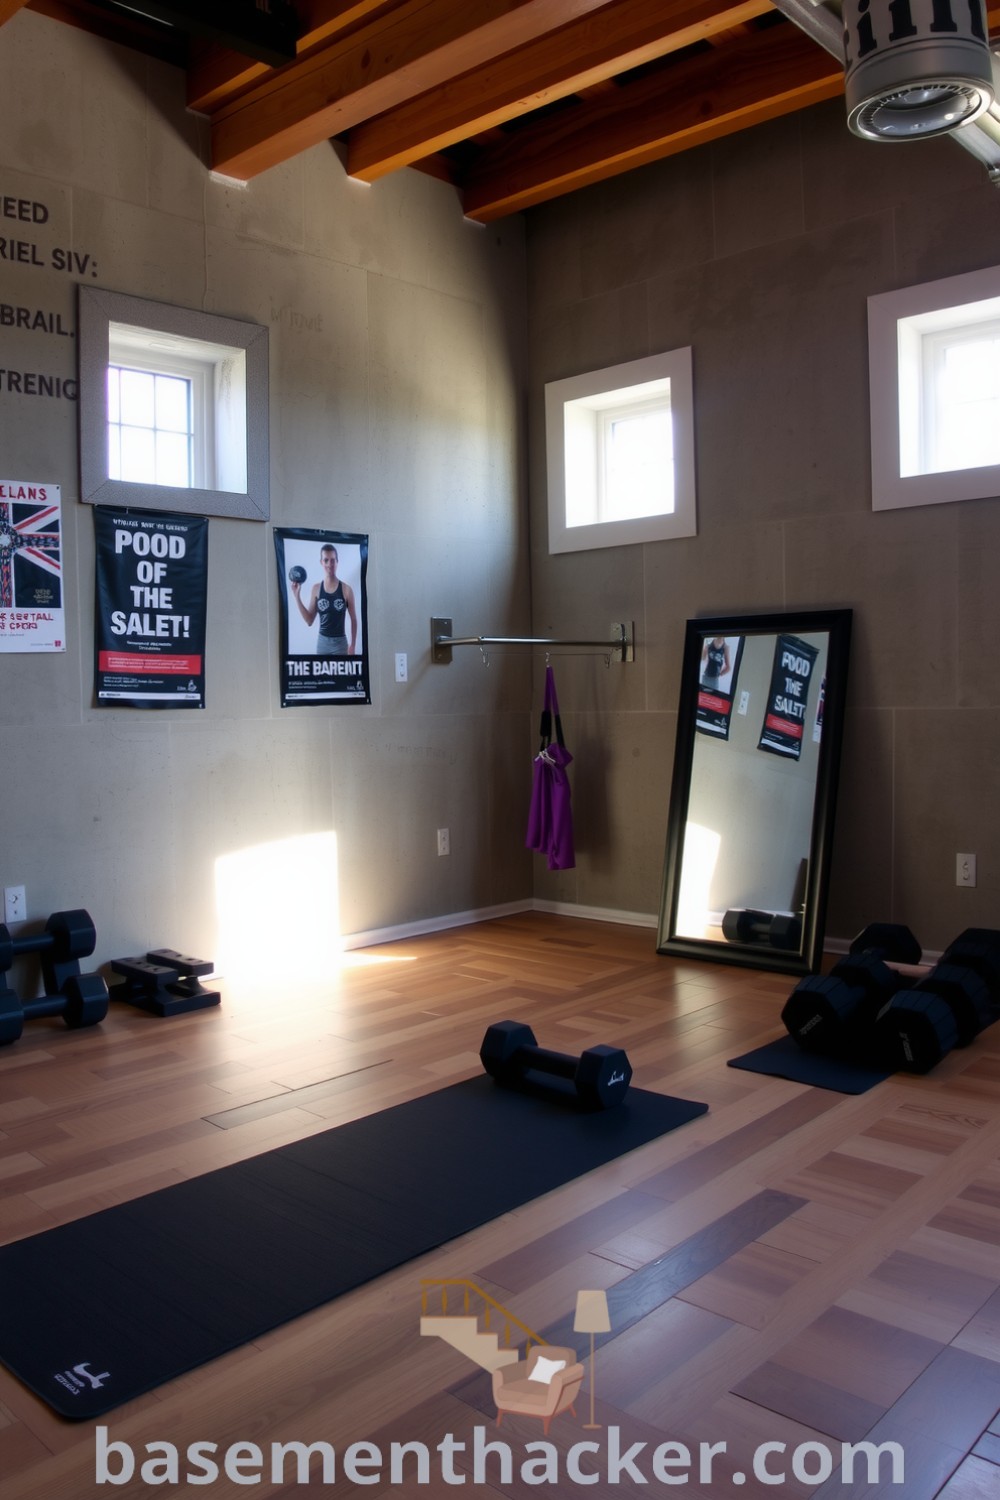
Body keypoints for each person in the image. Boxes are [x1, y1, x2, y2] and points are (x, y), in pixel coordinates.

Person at [290, 543, 357, 655]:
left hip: (340, 644)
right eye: (326, 560)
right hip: (323, 644)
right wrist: (297, 596)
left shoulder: (347, 590)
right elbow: (309, 621)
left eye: (332, 560)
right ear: (321, 562)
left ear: (337, 562)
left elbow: (354, 619)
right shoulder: (316, 589)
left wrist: (353, 645)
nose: (329, 564)